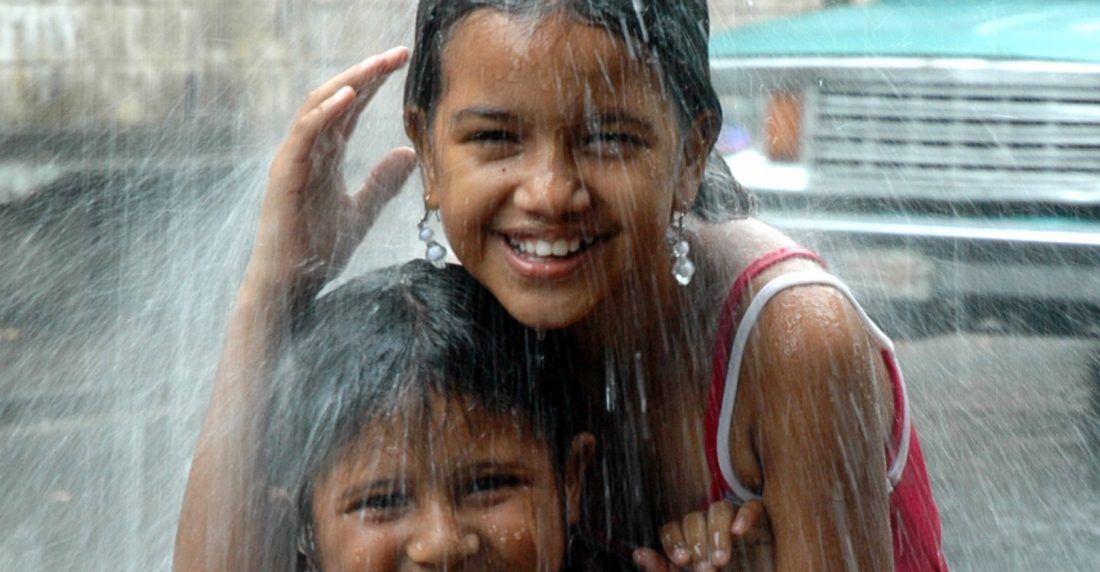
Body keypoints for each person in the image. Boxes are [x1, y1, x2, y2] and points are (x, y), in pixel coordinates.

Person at [179, 1, 946, 571]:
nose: (549, 192)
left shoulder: (792, 342)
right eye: (495, 138)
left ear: (690, 153)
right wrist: (275, 294)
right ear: (426, 149)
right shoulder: (481, 320)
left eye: (609, 137)